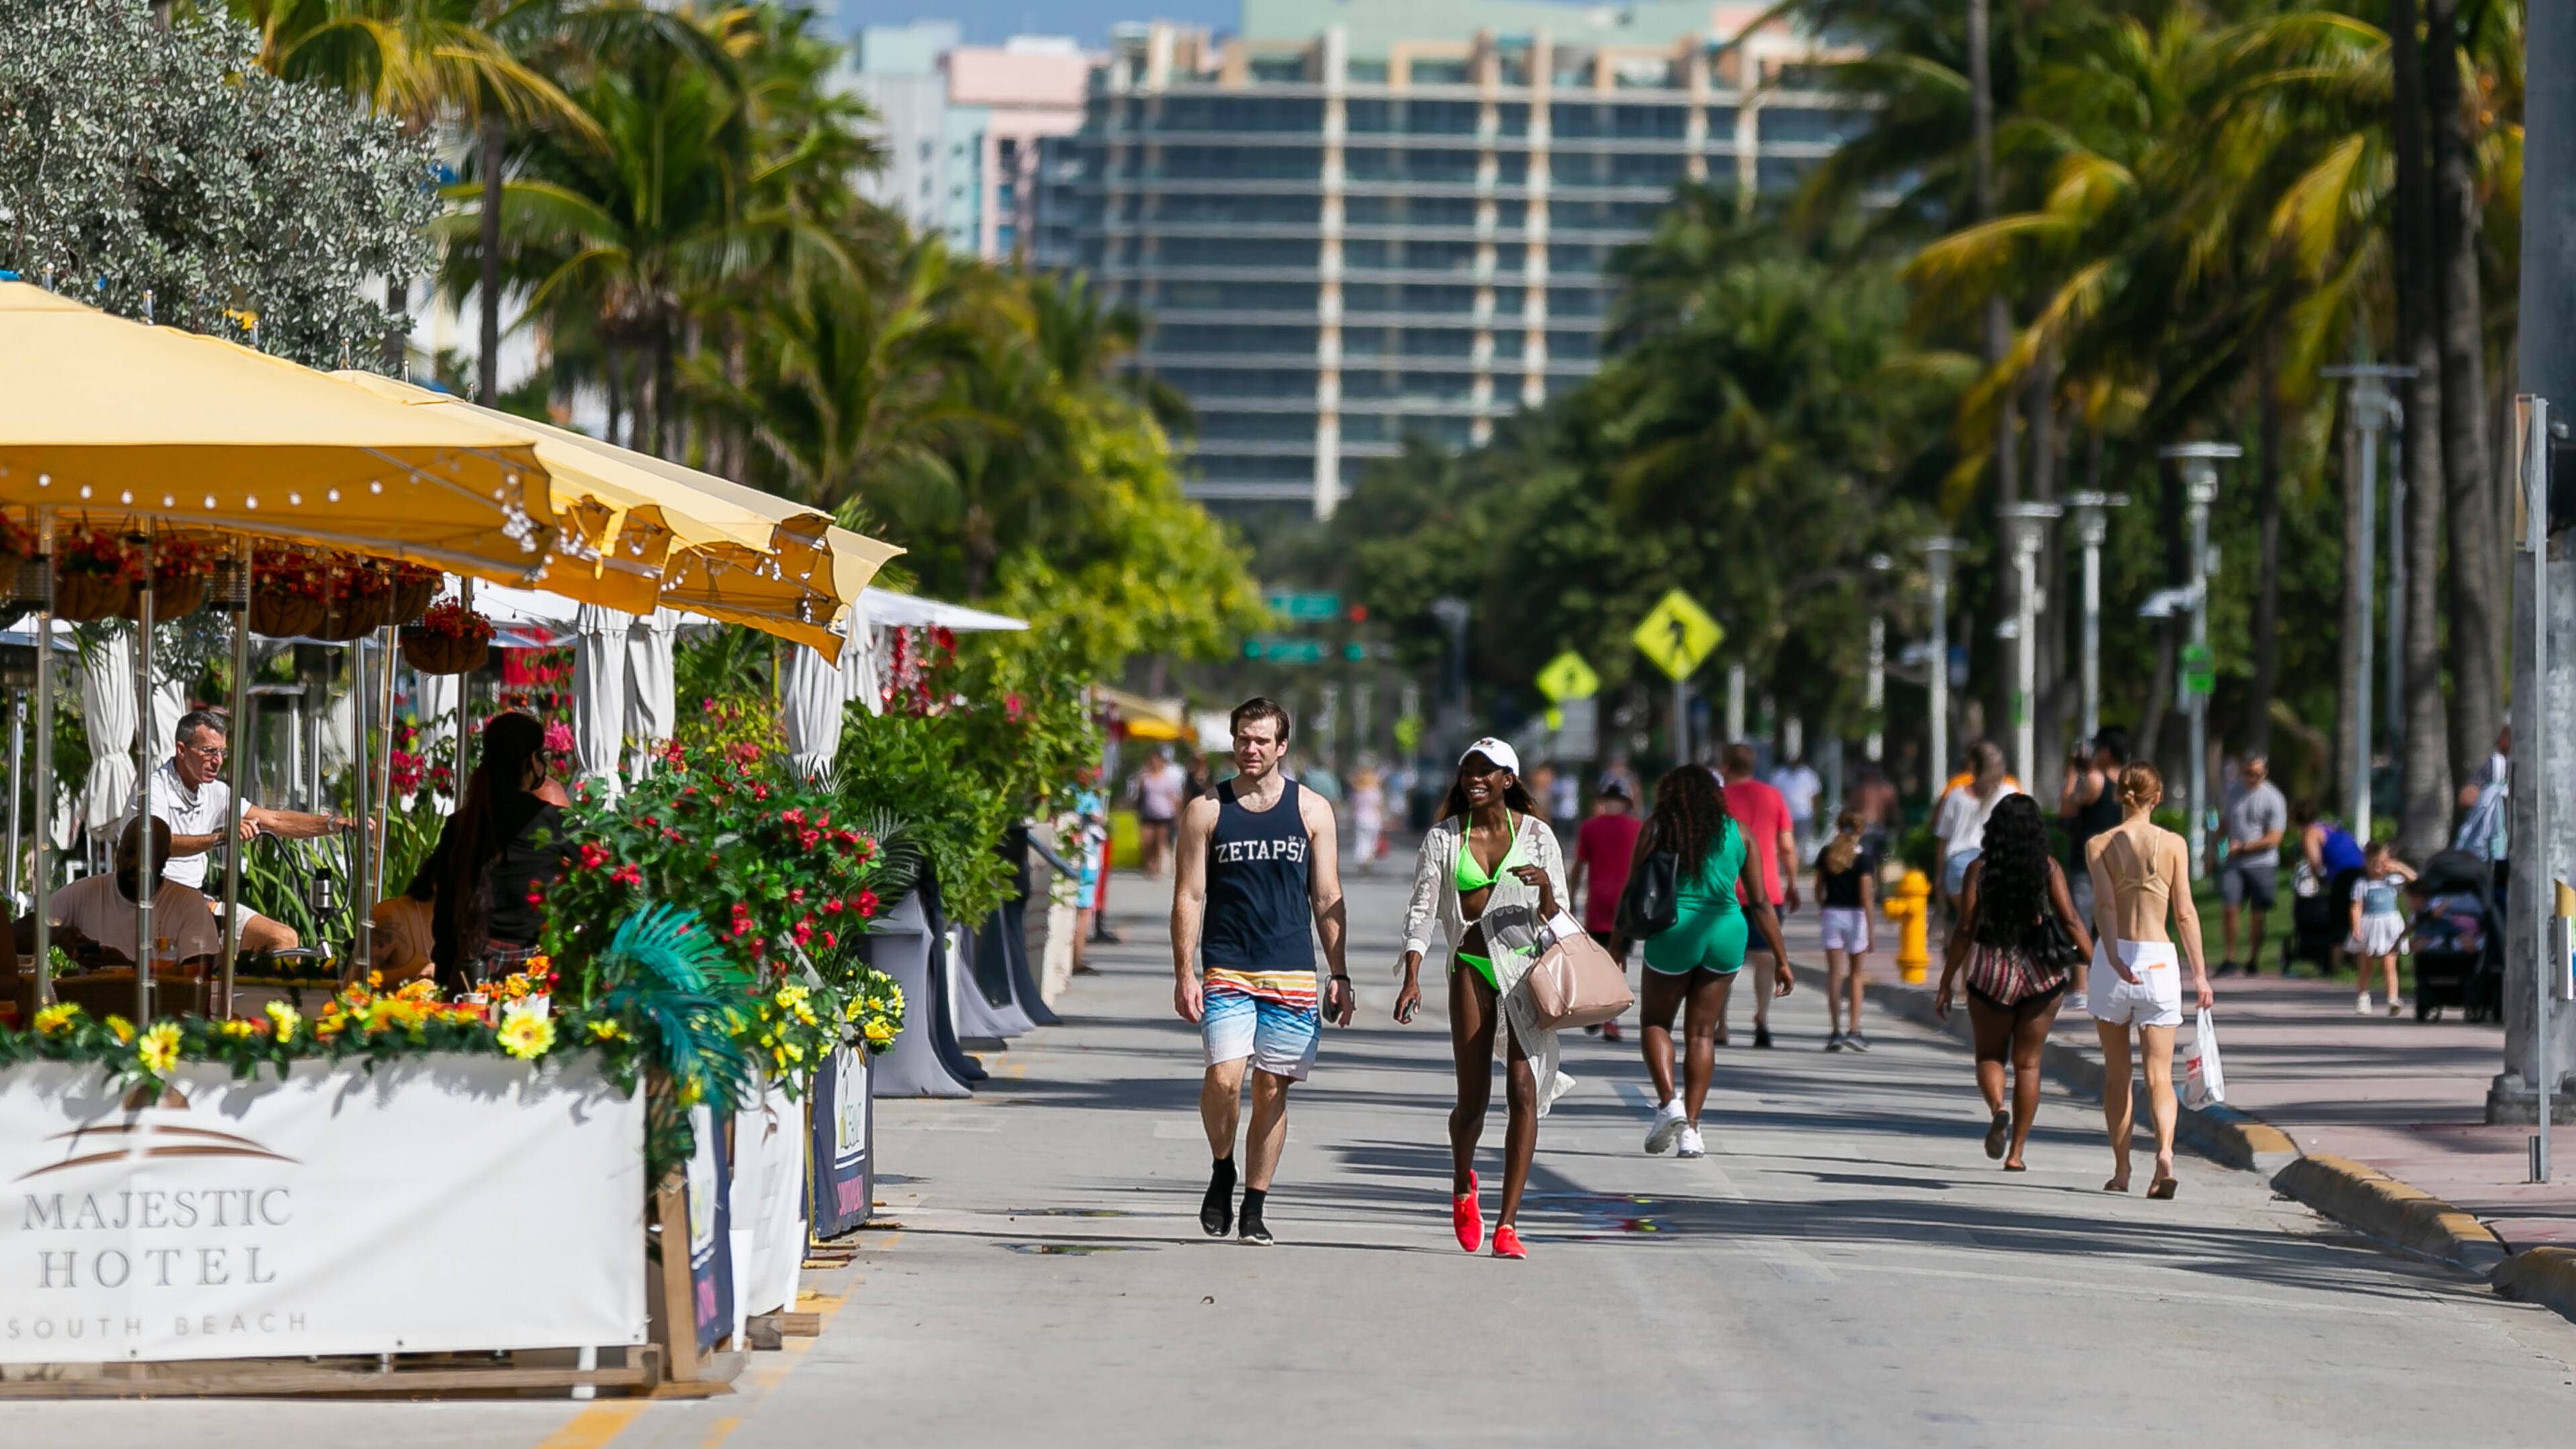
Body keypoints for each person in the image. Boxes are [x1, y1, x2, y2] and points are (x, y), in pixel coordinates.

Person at [1171, 698, 1350, 1248]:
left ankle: (1255, 1204)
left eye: (1262, 741)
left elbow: (1326, 895)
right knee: (1224, 1078)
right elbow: (1190, 893)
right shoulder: (1207, 810)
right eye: (1243, 739)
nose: (1251, 749)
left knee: (1272, 1088)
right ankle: (1222, 1168)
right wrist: (1185, 972)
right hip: (1227, 964)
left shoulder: (1313, 810)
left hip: (1292, 970)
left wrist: (1339, 972)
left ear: (1282, 747)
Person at [1397, 738, 1574, 1259]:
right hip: (1471, 970)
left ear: (1508, 781)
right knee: (1472, 1103)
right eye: (1467, 771)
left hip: (1525, 975)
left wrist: (1543, 892)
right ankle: (1462, 1183)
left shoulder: (1539, 838)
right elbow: (1422, 909)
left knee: (1523, 1090)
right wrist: (1412, 973)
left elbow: (1560, 916)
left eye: (1486, 772)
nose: (1474, 779)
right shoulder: (1445, 838)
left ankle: (1508, 1225)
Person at [1612, 765, 1791, 1161]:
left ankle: (1668, 1104)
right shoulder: (1740, 832)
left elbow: (1634, 887)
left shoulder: (1659, 828)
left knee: (1656, 1022)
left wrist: (1618, 944)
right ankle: (1691, 1129)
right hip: (1726, 931)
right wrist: (1781, 958)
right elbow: (1760, 902)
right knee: (1702, 1034)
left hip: (1676, 929)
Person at [1935, 796, 2093, 1171]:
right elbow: (2070, 920)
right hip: (2041, 971)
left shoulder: (1980, 869)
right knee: (2029, 1064)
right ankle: (2017, 1154)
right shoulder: (2048, 868)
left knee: (1990, 1056)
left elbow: (1966, 929)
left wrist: (1946, 981)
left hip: (1993, 969)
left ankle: (1998, 1107)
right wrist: (2097, 961)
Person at [2086, 763, 2214, 1198]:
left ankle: (2122, 1171)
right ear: (2157, 798)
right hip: (2160, 961)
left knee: (2117, 1076)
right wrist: (2199, 975)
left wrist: (2116, 956)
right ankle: (2164, 1154)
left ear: (2120, 796)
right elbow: (2184, 913)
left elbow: (2105, 906)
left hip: (2114, 957)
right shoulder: (2174, 844)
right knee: (2160, 1074)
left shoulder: (2099, 844)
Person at [140, 708, 350, 956]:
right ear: (181, 750)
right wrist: (220, 837)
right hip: (152, 907)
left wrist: (334, 825)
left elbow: (274, 820)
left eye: (222, 752)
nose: (218, 761)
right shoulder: (153, 790)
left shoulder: (215, 791)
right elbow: (156, 844)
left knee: (283, 939)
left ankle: (262, 995)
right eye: (209, 751)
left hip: (197, 904)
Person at [412, 712, 572, 990]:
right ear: (530, 761)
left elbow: (444, 914)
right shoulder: (550, 822)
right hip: (531, 979)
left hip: (468, 975)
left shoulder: (461, 823)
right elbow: (597, 873)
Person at [15, 818, 223, 969]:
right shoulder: (86, 892)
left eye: (145, 856)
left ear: (163, 860)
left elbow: (197, 978)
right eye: (129, 853)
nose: (133, 864)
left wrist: (126, 969)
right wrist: (58, 934)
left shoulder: (187, 903)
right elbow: (14, 936)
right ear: (118, 851)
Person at [1715, 742, 1798, 1048]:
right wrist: (1791, 881)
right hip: (1766, 889)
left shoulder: (1718, 799)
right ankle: (1762, 1015)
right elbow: (1787, 845)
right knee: (1764, 957)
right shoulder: (1773, 796)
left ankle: (1721, 1024)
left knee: (1723, 959)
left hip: (1724, 889)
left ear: (1725, 767)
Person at [1568, 777, 1644, 1042]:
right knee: (1617, 961)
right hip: (1626, 906)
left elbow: (1579, 866)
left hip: (1597, 903)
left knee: (1595, 961)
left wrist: (1567, 897)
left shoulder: (1590, 828)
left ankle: (1595, 1010)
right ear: (1627, 802)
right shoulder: (1638, 828)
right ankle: (1609, 1018)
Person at [2216, 755, 2288, 975]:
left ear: (2264, 773)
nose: (2252, 778)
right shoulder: (2233, 792)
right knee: (2230, 907)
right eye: (2248, 773)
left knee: (2258, 912)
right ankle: (2230, 958)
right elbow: (2225, 823)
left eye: (2257, 774)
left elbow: (2275, 838)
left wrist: (2246, 847)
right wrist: (2215, 849)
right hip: (2234, 862)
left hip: (2262, 862)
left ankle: (2252, 959)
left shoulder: (2273, 798)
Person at [1814, 807, 1878, 1052]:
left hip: (1832, 915)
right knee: (1856, 975)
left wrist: (1824, 907)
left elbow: (1819, 888)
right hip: (1856, 917)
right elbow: (1866, 896)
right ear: (1861, 830)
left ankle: (1835, 1031)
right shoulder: (1863, 859)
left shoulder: (1827, 854)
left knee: (1834, 974)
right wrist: (1871, 930)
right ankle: (1854, 1028)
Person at [1935, 741, 2018, 911]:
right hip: (1996, 865)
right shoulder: (2010, 793)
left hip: (1959, 866)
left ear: (1973, 765)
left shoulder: (1956, 795)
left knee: (1964, 925)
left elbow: (1943, 839)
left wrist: (1939, 878)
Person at [2349, 841, 2417, 1017]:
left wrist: (2400, 868)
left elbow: (2416, 879)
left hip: (2390, 926)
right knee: (2366, 964)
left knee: (2389, 964)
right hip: (2370, 925)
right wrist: (2356, 927)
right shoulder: (2362, 884)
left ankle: (2393, 999)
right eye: (2373, 864)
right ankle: (2363, 997)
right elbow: (2356, 907)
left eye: (2381, 863)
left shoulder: (2393, 881)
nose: (2378, 868)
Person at [1130, 747, 1187, 879]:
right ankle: (1148, 863)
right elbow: (1137, 794)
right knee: (1146, 841)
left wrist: (1179, 815)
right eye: (1152, 760)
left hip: (1164, 814)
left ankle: (1156, 867)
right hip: (1147, 812)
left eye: (1156, 760)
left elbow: (1175, 798)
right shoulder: (1144, 777)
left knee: (1159, 842)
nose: (1154, 762)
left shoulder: (1168, 779)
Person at [1768, 753, 1822, 853]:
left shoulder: (1809, 775)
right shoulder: (1779, 775)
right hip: (1784, 816)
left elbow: (1815, 797)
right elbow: (1772, 796)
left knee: (1802, 845)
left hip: (1804, 816)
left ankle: (1800, 866)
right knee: (1785, 844)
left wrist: (1817, 816)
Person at [1348, 765, 1387, 872]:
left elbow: (1354, 806)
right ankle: (1368, 860)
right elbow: (1379, 807)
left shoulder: (1358, 793)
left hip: (1360, 818)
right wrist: (1383, 820)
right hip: (1374, 819)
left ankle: (1361, 859)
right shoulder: (1376, 792)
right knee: (1372, 841)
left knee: (1361, 840)